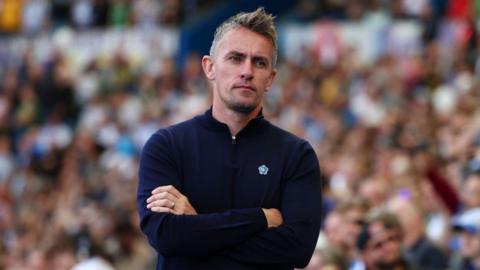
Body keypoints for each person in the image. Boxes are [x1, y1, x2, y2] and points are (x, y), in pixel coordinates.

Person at [136, 7, 322, 270]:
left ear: (270, 78)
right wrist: (259, 219)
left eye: (259, 62)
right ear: (209, 67)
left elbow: (297, 250)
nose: (247, 71)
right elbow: (166, 236)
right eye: (235, 58)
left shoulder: (296, 154)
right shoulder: (166, 145)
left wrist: (196, 225)